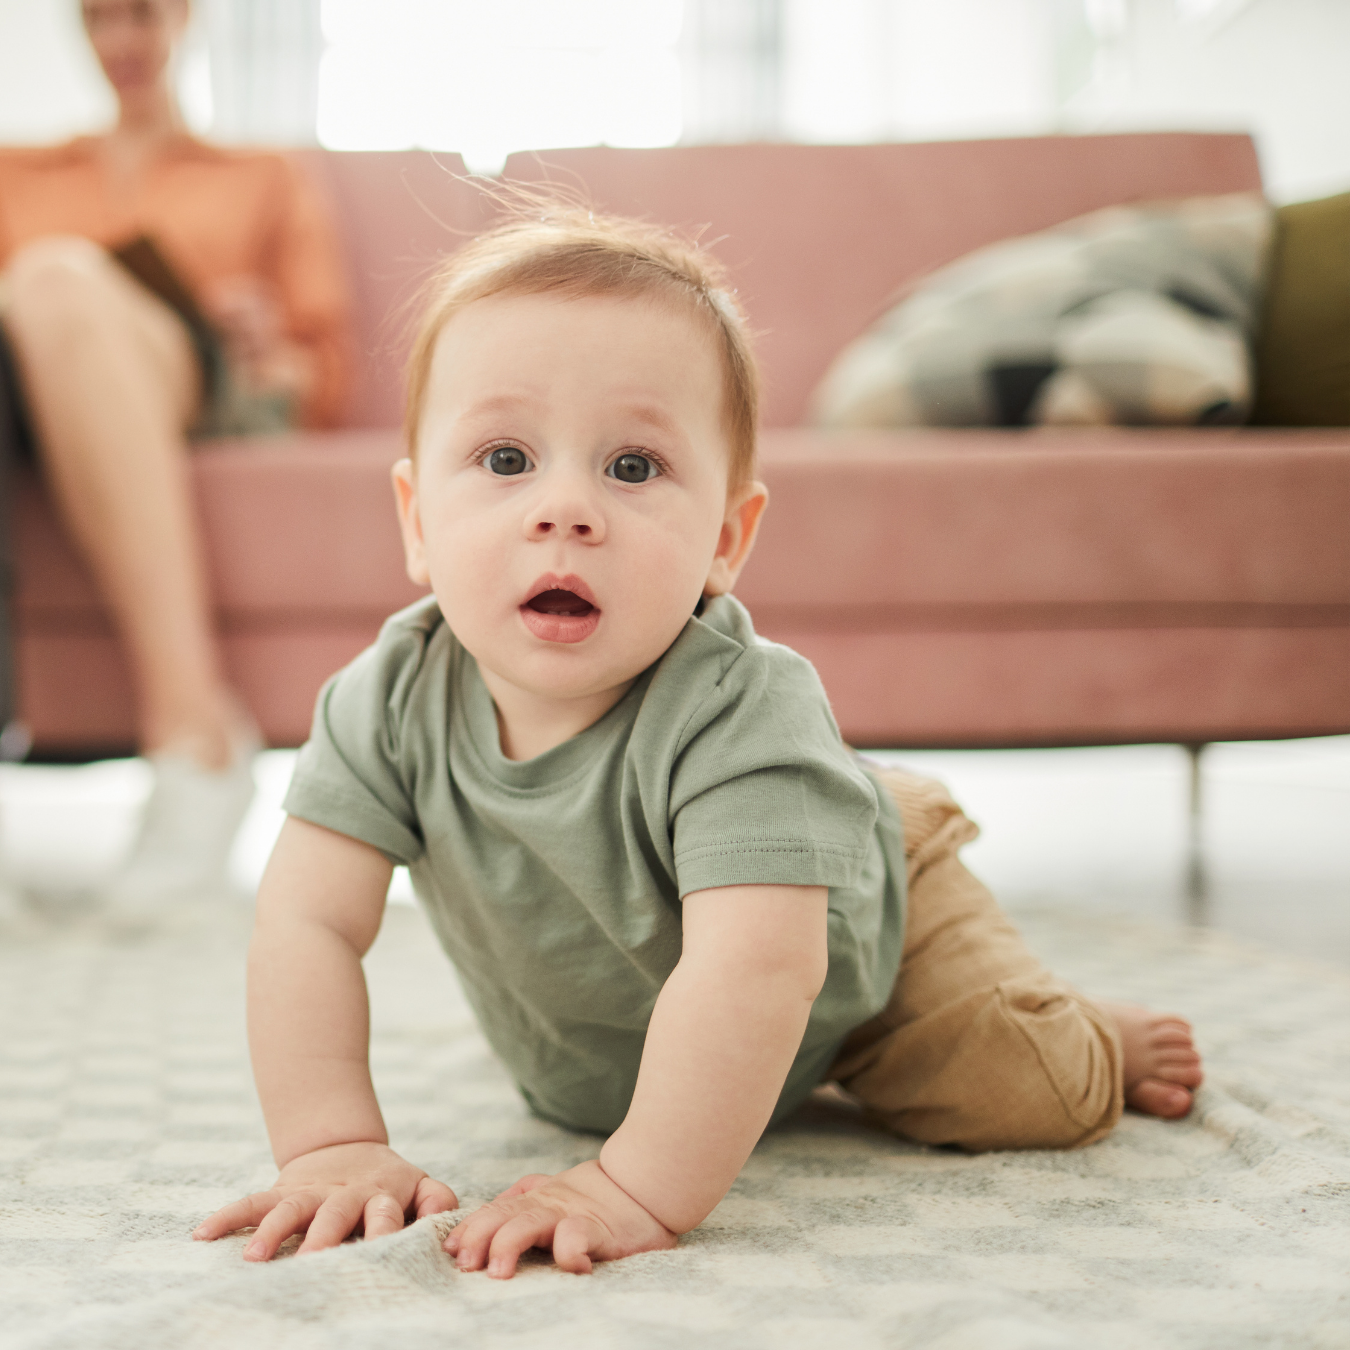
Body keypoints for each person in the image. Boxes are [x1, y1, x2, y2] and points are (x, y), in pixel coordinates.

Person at [193, 206, 1204, 1277]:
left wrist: (633, 1188)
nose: (566, 508)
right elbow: (306, 920)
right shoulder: (384, 701)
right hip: (625, 1032)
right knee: (603, 1095)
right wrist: (334, 1145)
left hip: (866, 936)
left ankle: (1090, 1027)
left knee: (1020, 1090)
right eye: (504, 457)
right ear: (415, 522)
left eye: (632, 468)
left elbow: (758, 969)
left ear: (725, 539)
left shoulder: (739, 708)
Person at [0, 0, 352, 911]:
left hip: (198, 384)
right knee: (47, 289)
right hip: (29, 395)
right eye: (104, 19)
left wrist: (265, 339)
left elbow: (321, 368)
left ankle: (194, 729)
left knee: (53, 278)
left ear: (185, 22)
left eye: (144, 16)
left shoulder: (259, 176)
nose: (126, 41)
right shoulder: (18, 171)